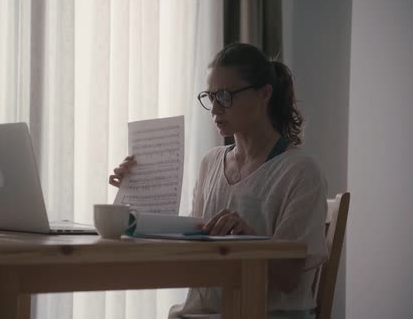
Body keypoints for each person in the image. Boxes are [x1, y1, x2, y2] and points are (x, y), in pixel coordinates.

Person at [108, 42, 328, 319]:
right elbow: (187, 256)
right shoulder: (210, 163)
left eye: (225, 96)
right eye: (210, 97)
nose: (215, 108)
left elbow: (289, 279)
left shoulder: (300, 171)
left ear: (264, 93)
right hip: (199, 313)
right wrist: (134, 192)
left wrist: (250, 240)